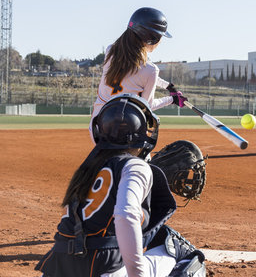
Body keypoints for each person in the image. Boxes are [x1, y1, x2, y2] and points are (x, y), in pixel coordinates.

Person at [36, 94, 206, 277]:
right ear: (142, 135)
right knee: (180, 248)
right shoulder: (135, 166)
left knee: (153, 233)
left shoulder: (87, 168)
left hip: (58, 268)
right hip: (102, 268)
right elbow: (126, 215)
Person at [89, 7, 187, 139]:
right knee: (145, 159)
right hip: (126, 132)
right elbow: (148, 106)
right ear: (152, 38)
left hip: (97, 126)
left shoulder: (111, 51)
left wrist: (168, 86)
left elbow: (134, 75)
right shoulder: (151, 70)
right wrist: (172, 99)